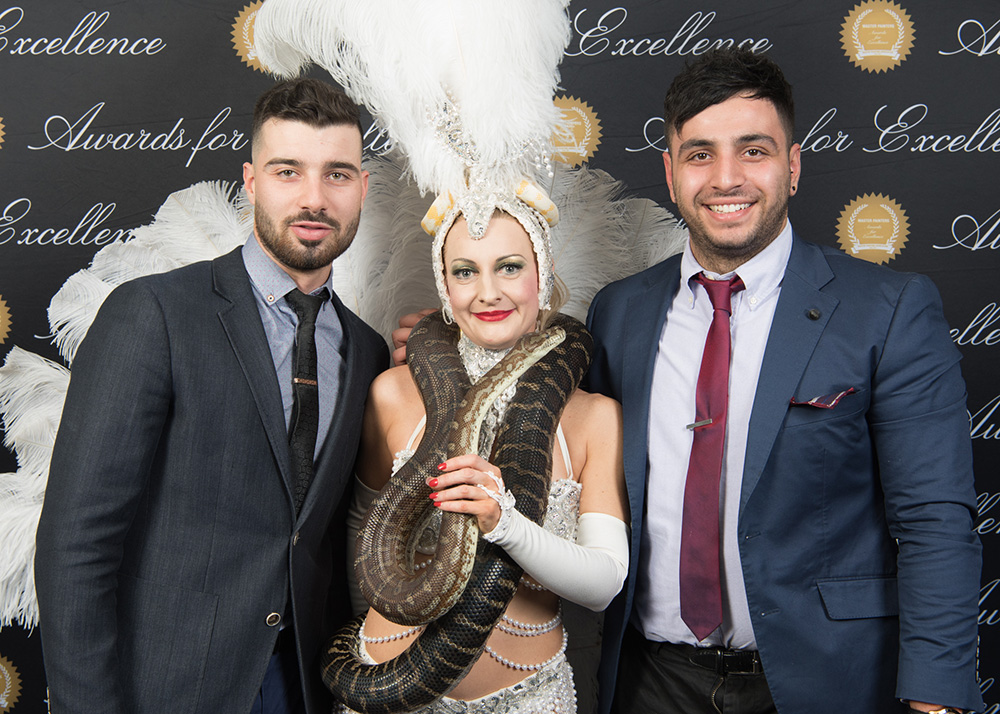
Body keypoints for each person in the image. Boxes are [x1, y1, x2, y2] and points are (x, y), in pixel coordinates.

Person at [585, 48, 983, 714]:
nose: (727, 178)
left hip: (825, 684)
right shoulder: (618, 311)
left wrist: (935, 699)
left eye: (754, 150)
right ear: (672, 174)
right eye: (701, 154)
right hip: (648, 684)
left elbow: (935, 521)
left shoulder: (888, 309)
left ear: (792, 167)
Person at [34, 77, 388, 714]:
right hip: (165, 689)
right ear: (251, 182)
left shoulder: (367, 351)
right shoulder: (154, 314)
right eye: (287, 171)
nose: (313, 198)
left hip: (306, 686)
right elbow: (75, 543)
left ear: (362, 188)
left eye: (336, 174)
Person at [337, 194, 629, 713]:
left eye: (510, 267)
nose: (488, 292)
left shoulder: (596, 417)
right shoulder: (392, 394)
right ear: (445, 286)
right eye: (465, 271)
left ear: (542, 273)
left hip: (530, 698)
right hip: (388, 691)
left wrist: (505, 523)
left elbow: (604, 584)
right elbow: (364, 529)